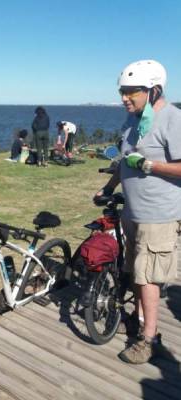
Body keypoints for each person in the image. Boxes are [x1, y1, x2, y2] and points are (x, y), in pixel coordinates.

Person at [95, 60, 181, 363]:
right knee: (135, 272)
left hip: (159, 215)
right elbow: (123, 161)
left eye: (131, 92)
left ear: (154, 90)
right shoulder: (132, 121)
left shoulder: (173, 119)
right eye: (122, 91)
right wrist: (108, 188)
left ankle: (148, 338)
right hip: (132, 212)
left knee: (148, 278)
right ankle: (138, 316)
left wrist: (150, 165)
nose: (124, 98)